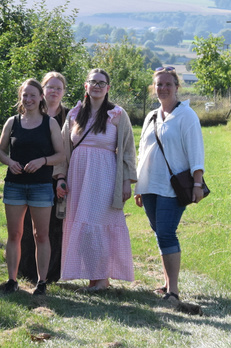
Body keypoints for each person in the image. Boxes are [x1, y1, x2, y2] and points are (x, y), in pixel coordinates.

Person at [54, 68, 137, 291]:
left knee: (99, 226)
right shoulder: (74, 114)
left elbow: (128, 150)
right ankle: (94, 277)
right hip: (78, 177)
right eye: (93, 82)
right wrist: (61, 177)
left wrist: (126, 182)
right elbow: (63, 148)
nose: (97, 86)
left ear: (108, 88)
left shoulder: (117, 114)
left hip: (105, 177)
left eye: (102, 83)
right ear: (86, 86)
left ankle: (102, 279)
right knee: (83, 227)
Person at [134, 66, 205, 305]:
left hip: (172, 188)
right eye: (159, 84)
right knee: (159, 233)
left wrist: (197, 183)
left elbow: (196, 151)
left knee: (166, 233)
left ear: (176, 87)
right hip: (149, 185)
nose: (163, 88)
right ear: (153, 88)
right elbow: (142, 152)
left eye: (168, 84)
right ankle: (166, 283)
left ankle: (173, 291)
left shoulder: (187, 116)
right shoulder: (151, 116)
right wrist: (139, 186)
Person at [0, 79, 64, 295]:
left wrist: (43, 161)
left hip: (41, 186)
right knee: (14, 234)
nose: (28, 99)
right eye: (25, 95)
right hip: (14, 185)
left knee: (40, 235)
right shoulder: (12, 122)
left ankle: (42, 282)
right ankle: (11, 280)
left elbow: (61, 155)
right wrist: (9, 162)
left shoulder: (50, 123)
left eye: (33, 95)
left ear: (41, 97)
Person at [18, 72, 69, 283]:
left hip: (59, 178)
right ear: (42, 91)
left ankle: (50, 274)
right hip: (30, 176)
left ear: (63, 92)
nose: (54, 91)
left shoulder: (70, 116)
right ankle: (25, 271)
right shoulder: (31, 112)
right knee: (27, 226)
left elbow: (68, 149)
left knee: (54, 227)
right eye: (50, 87)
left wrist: (62, 177)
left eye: (58, 88)